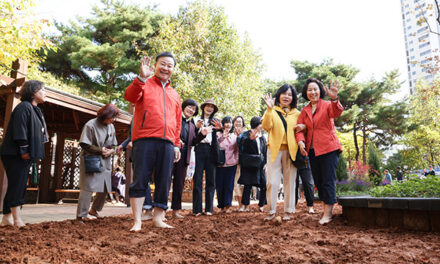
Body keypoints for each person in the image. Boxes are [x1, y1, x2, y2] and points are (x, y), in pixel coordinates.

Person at [124, 52, 182, 230]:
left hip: (167, 143)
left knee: (164, 181)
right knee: (140, 179)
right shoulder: (144, 84)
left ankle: (158, 218)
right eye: (162, 64)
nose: (166, 68)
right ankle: (137, 220)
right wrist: (141, 77)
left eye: (169, 65)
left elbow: (177, 122)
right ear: (155, 66)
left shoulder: (175, 95)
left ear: (173, 69)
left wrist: (177, 144)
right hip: (144, 139)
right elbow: (130, 97)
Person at [0, 80, 48, 227]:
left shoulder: (36, 110)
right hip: (15, 153)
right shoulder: (23, 107)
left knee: (18, 184)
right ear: (33, 92)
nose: (45, 93)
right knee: (18, 184)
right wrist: (24, 149)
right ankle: (16, 219)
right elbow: (20, 130)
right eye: (42, 90)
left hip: (23, 154)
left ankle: (6, 218)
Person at [296, 78, 343, 225]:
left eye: (315, 89)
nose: (312, 92)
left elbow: (336, 112)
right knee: (319, 181)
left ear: (320, 91)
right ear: (306, 92)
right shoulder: (305, 110)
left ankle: (327, 214)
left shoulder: (328, 105)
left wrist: (334, 98)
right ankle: (325, 210)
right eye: (309, 90)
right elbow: (299, 128)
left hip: (329, 148)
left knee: (328, 180)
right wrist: (301, 142)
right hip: (312, 150)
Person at [262, 84, 301, 221]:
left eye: (290, 94)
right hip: (274, 150)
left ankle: (288, 211)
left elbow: (301, 131)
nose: (286, 97)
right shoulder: (272, 110)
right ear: (279, 95)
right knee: (272, 181)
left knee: (290, 181)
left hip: (291, 150)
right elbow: (266, 126)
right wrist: (268, 109)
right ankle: (271, 210)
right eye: (284, 93)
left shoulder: (297, 113)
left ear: (293, 98)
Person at [76, 104, 119, 223]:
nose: (113, 120)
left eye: (115, 117)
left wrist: (111, 150)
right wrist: (100, 150)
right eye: (112, 117)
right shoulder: (90, 125)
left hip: (105, 161)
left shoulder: (111, 127)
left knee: (105, 187)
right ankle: (80, 216)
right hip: (91, 159)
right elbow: (84, 144)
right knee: (88, 187)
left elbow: (114, 144)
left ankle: (94, 210)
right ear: (105, 115)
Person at [171, 99, 209, 218]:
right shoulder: (175, 117)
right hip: (170, 154)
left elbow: (192, 142)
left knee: (179, 184)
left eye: (193, 109)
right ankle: (159, 209)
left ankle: (176, 210)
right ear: (184, 107)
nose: (191, 110)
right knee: (165, 181)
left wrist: (202, 134)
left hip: (184, 158)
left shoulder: (192, 124)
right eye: (189, 107)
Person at [117, 120, 154, 220]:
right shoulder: (135, 118)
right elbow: (132, 137)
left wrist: (136, 142)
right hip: (136, 154)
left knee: (143, 181)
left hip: (145, 152)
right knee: (139, 182)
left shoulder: (148, 112)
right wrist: (122, 145)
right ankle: (140, 212)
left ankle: (148, 210)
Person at [192, 99, 222, 216]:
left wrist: (220, 129)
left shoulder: (216, 122)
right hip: (199, 150)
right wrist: (196, 127)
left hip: (211, 151)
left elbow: (221, 135)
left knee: (211, 180)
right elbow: (192, 138)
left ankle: (209, 209)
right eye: (207, 106)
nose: (209, 108)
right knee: (198, 180)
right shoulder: (196, 120)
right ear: (203, 107)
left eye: (212, 107)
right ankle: (197, 209)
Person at [238, 116, 267, 212]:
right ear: (256, 124)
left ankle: (261, 204)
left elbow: (264, 151)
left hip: (260, 164)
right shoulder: (246, 134)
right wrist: (250, 139)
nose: (262, 126)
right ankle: (245, 205)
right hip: (250, 163)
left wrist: (266, 163)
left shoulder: (262, 137)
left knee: (264, 184)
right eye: (261, 124)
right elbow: (243, 146)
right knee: (248, 184)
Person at [216, 116, 239, 213]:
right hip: (219, 164)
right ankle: (221, 206)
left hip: (231, 164)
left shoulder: (234, 136)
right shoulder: (217, 134)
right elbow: (215, 146)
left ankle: (228, 206)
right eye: (226, 122)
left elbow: (237, 150)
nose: (228, 124)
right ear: (223, 124)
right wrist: (222, 137)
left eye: (230, 122)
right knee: (220, 185)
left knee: (229, 185)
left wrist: (237, 160)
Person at [232, 116, 245, 210]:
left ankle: (244, 204)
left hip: (243, 162)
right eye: (236, 121)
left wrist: (239, 136)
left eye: (240, 122)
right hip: (233, 162)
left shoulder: (246, 134)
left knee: (243, 184)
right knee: (236, 184)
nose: (238, 123)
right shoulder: (230, 133)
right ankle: (240, 204)